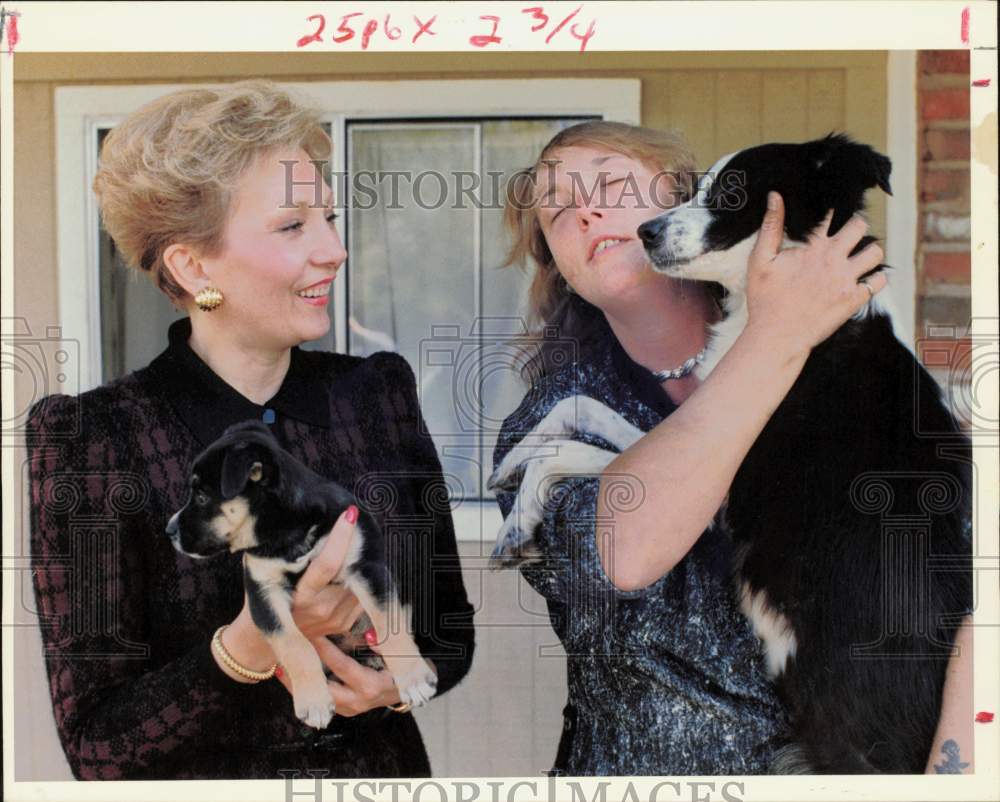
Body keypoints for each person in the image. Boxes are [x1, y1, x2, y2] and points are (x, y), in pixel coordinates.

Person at [492, 121, 972, 775]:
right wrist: (780, 331)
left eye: (608, 184)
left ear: (692, 194)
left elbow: (970, 573)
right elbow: (625, 552)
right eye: (555, 210)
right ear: (556, 261)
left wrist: (956, 771)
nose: (585, 210)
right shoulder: (548, 428)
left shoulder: (868, 371)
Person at [26, 80, 475, 780]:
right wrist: (251, 643)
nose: (334, 250)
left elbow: (450, 628)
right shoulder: (92, 439)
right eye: (294, 226)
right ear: (193, 264)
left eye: (328, 217)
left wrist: (398, 686)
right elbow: (98, 747)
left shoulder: (377, 394)